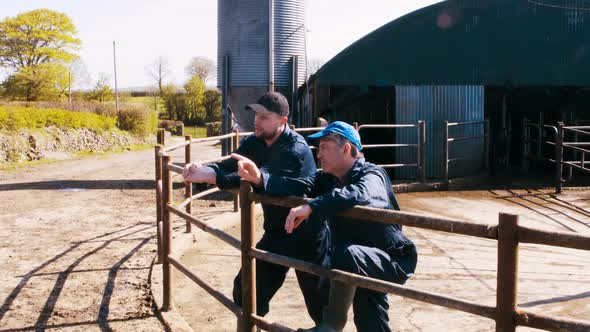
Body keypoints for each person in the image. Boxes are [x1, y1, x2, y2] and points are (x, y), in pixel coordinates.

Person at [233, 121, 418, 332]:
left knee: (346, 255)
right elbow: (301, 185)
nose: (318, 154)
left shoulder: (372, 174)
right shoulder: (328, 179)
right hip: (358, 260)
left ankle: (331, 325)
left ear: (346, 148)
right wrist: (260, 178)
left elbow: (362, 193)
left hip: (390, 259)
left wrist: (313, 206)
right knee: (370, 320)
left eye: (324, 147)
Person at [182, 91, 330, 323]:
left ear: (282, 121)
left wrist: (258, 177)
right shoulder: (254, 141)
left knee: (321, 308)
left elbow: (264, 175)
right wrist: (206, 171)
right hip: (276, 233)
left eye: (264, 116)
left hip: (308, 238)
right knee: (247, 290)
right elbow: (233, 165)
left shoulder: (296, 148)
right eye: (256, 115)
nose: (256, 121)